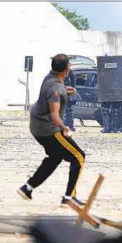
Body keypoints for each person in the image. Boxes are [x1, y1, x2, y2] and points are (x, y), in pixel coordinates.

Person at [18, 54, 86, 206]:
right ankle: (69, 197)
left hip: (37, 125)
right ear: (66, 68)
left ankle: (27, 188)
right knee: (79, 157)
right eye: (69, 65)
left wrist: (66, 91)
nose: (70, 67)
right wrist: (65, 128)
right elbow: (55, 115)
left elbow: (54, 91)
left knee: (55, 158)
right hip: (48, 128)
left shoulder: (50, 78)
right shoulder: (55, 88)